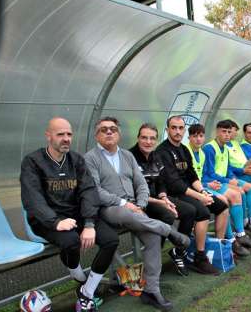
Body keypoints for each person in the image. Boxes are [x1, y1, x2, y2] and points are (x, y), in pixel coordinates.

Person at [84, 117, 190, 311]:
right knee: (130, 215)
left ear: (119, 133)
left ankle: (151, 291)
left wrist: (140, 204)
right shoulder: (90, 158)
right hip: (109, 208)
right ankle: (170, 230)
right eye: (104, 129)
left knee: (152, 237)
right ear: (96, 135)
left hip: (134, 208)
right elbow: (95, 191)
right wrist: (125, 203)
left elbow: (141, 184)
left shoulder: (126, 155)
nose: (109, 132)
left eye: (113, 129)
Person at [20, 117, 119, 312]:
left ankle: (86, 292)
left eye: (69, 134)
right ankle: (80, 278)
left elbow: (88, 191)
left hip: (77, 216)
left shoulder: (76, 160)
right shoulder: (32, 162)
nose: (66, 138)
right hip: (46, 220)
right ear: (48, 136)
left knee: (111, 240)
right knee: (71, 241)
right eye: (60, 134)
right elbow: (32, 199)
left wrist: (89, 223)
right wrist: (55, 221)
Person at [156, 115, 230, 275]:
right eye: (173, 128)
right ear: (167, 129)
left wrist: (203, 191)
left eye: (180, 128)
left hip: (191, 190)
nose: (177, 131)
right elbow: (174, 183)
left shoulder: (183, 149)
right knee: (201, 212)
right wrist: (200, 197)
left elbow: (192, 176)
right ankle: (199, 257)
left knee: (222, 206)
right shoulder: (162, 151)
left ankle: (218, 248)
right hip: (174, 194)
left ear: (184, 130)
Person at [130, 123, 198, 277]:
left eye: (152, 138)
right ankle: (155, 258)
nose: (148, 142)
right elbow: (134, 192)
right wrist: (162, 202)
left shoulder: (155, 155)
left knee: (189, 211)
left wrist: (164, 197)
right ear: (138, 138)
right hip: (140, 202)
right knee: (167, 215)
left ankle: (178, 252)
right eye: (144, 138)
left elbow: (161, 181)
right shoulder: (130, 157)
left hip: (157, 198)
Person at [186, 123, 251, 257]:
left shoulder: (218, 149)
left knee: (241, 192)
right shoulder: (207, 149)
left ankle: (240, 233)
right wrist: (209, 184)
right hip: (200, 187)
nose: (227, 134)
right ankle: (232, 239)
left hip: (209, 184)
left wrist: (228, 179)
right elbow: (205, 174)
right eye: (224, 132)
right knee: (228, 198)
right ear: (217, 132)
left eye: (229, 132)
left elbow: (224, 171)